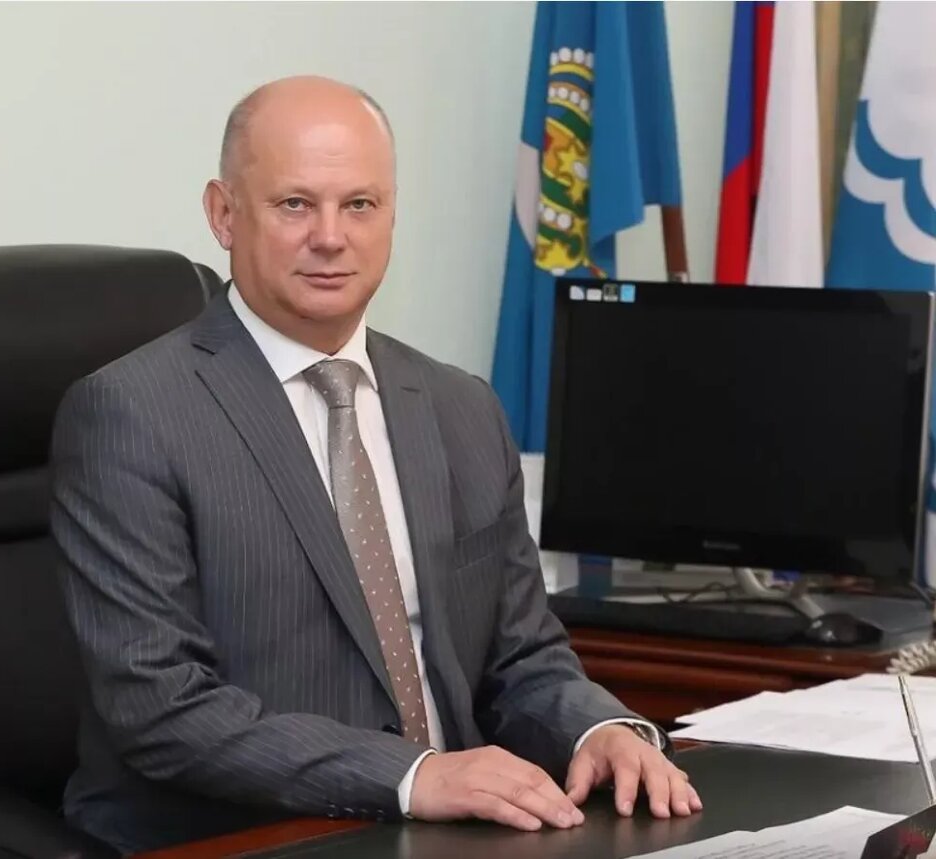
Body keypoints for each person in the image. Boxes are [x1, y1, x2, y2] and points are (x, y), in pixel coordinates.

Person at [50, 75, 701, 854]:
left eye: (360, 204)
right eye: (295, 204)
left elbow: (522, 654)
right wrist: (412, 775)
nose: (331, 236)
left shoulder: (461, 406)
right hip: (245, 836)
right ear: (224, 214)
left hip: (453, 833)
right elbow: (162, 707)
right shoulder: (131, 413)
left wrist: (600, 728)